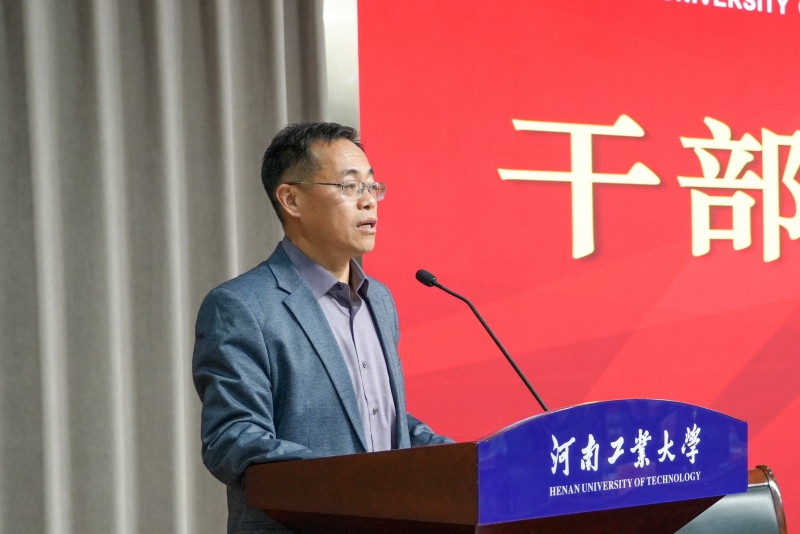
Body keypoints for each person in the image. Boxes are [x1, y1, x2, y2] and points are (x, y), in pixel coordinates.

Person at [192, 122, 453, 534]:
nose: (369, 201)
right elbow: (233, 437)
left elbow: (379, 419)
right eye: (350, 186)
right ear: (291, 199)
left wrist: (464, 459)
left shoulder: (379, 300)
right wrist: (354, 486)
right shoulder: (241, 306)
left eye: (373, 186)